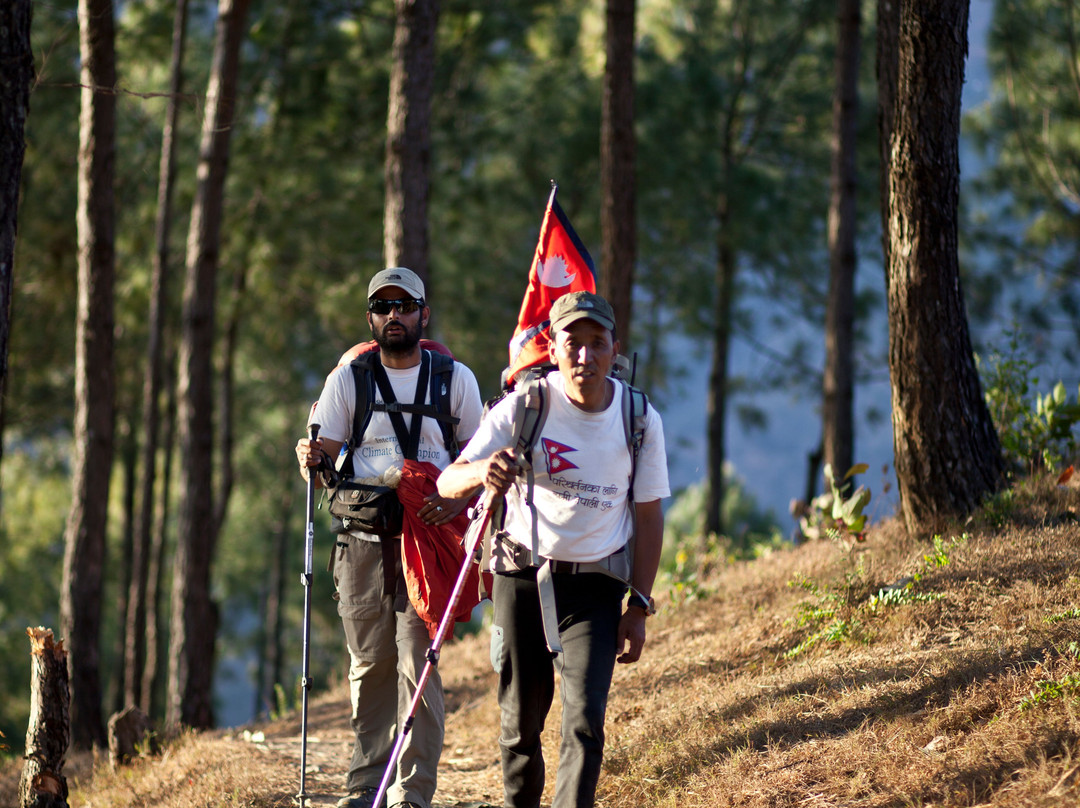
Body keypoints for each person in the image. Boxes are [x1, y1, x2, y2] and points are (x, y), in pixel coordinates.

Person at [437, 291, 670, 808]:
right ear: (553, 346)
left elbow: (650, 516)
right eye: (573, 341)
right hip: (521, 577)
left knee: (584, 723)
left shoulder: (638, 418)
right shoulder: (526, 405)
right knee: (521, 724)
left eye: (597, 343)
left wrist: (639, 606)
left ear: (615, 349)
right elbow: (446, 483)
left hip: (596, 588)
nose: (585, 355)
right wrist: (484, 470)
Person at [295, 267, 484, 808]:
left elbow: (477, 460)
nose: (394, 316)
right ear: (371, 317)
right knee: (370, 665)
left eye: (405, 306)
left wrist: (454, 502)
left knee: (416, 663)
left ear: (424, 314)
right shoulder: (348, 380)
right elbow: (322, 456)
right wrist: (307, 458)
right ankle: (365, 788)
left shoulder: (456, 380)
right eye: (383, 307)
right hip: (361, 543)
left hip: (426, 543)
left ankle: (412, 793)